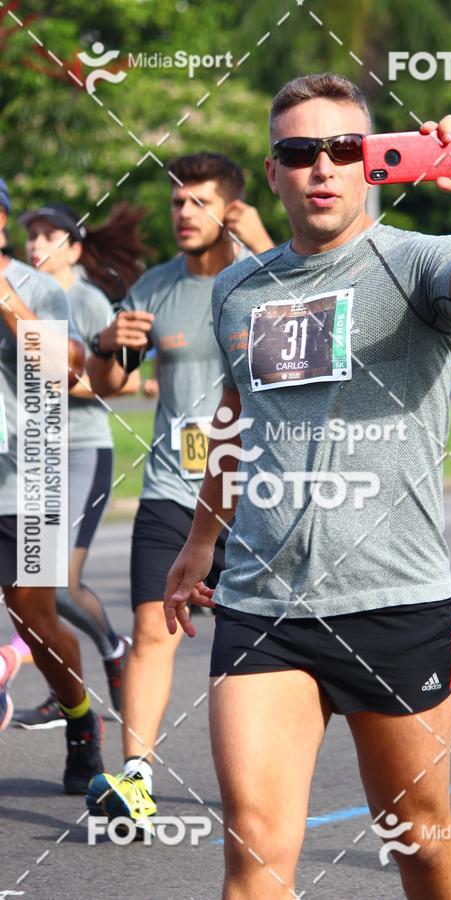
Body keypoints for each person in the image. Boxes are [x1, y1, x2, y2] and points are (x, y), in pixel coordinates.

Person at [162, 74, 451, 898]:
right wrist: (200, 541)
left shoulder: (416, 261)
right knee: (255, 853)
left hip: (392, 600)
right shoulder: (239, 287)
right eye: (301, 151)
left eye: (344, 148)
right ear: (274, 172)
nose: (323, 167)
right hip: (262, 604)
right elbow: (236, 414)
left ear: (371, 162)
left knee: (419, 836)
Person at [85, 153, 273, 831]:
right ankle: (136, 777)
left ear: (232, 209)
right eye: (176, 202)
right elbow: (108, 385)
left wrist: (264, 247)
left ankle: (262, 781)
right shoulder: (153, 288)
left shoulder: (264, 277)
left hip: (256, 492)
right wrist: (107, 344)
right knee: (150, 628)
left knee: (252, 649)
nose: (184, 214)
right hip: (171, 490)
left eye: (199, 202)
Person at [10, 203, 146, 729]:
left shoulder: (86, 300)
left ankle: (113, 648)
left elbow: (125, 381)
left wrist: (60, 381)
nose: (37, 244)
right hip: (31, 454)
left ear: (74, 248)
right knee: (35, 590)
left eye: (50, 236)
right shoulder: (20, 294)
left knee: (59, 582)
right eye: (32, 235)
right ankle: (63, 692)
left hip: (82, 451)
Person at [0, 177, 105, 792]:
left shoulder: (37, 287)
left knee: (36, 621)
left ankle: (80, 717)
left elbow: (65, 369)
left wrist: (6, 302)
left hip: (27, 479)